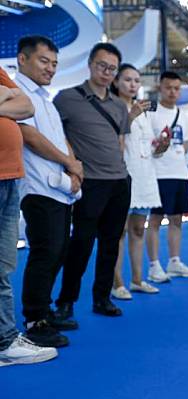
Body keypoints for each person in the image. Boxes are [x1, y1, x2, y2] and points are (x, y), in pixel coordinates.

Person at [53, 43, 132, 320]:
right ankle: (66, 301)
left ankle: (102, 298)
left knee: (111, 244)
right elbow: (55, 136)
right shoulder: (66, 98)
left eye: (112, 68)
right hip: (90, 183)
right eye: (102, 66)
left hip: (119, 182)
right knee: (81, 244)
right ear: (90, 63)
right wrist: (71, 167)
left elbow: (119, 141)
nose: (106, 72)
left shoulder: (119, 106)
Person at [14, 36, 82, 347]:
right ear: (22, 60)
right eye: (44, 61)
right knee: (45, 251)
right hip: (37, 187)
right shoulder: (17, 94)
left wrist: (73, 166)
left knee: (59, 250)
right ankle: (35, 319)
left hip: (60, 187)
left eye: (54, 63)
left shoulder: (46, 98)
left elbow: (59, 136)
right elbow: (29, 136)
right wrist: (68, 161)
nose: (50, 68)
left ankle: (46, 308)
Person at [0, 65, 58, 366]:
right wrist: (6, 95)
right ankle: (5, 340)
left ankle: (4, 340)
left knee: (4, 263)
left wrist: (8, 93)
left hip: (9, 177)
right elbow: (15, 102)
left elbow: (25, 105)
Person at [111, 64, 168, 300]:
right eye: (127, 80)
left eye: (136, 80)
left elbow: (148, 147)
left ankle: (137, 279)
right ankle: (117, 283)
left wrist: (160, 146)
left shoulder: (143, 110)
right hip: (121, 175)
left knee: (137, 229)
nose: (133, 84)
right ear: (116, 82)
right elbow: (113, 144)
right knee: (118, 232)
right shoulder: (112, 107)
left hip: (144, 176)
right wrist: (129, 117)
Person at [146, 71, 188, 282]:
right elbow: (148, 145)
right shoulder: (151, 113)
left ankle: (174, 261)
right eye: (168, 87)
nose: (173, 92)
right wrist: (161, 146)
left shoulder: (182, 114)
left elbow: (186, 144)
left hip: (179, 174)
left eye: (177, 88)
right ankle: (154, 265)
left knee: (177, 220)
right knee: (156, 220)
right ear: (160, 87)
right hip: (158, 174)